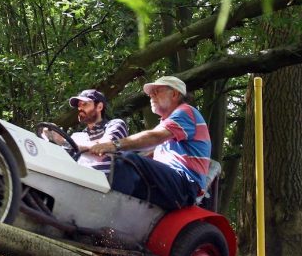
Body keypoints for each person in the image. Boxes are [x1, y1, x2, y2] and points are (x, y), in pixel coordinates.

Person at [87, 76, 210, 210]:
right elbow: (150, 154)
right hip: (171, 184)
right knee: (125, 168)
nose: (151, 96)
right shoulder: (169, 125)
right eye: (150, 93)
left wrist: (113, 145)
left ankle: (102, 211)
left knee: (128, 160)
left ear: (175, 94)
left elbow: (154, 137)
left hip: (184, 184)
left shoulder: (185, 112)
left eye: (157, 92)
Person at [63, 89, 127, 172]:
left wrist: (64, 141)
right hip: (78, 181)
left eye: (84, 104)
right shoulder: (76, 136)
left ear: (99, 107)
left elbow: (104, 148)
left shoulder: (115, 124)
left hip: (109, 182)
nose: (80, 108)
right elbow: (62, 162)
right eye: (79, 105)